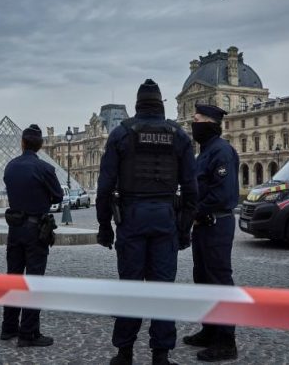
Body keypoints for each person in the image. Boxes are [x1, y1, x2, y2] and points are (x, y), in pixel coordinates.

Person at [96, 79, 198, 365]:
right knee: (163, 288)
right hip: (166, 217)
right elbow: (192, 189)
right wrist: (185, 229)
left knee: (130, 286)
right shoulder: (179, 135)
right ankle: (161, 356)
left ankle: (124, 352)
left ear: (138, 105)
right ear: (161, 105)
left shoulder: (121, 133)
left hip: (131, 217)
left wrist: (105, 226)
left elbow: (104, 187)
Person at [183, 104, 240, 362]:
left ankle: (226, 341)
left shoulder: (222, 152)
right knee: (203, 279)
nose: (192, 124)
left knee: (219, 281)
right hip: (204, 225)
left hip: (216, 223)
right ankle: (209, 330)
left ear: (209, 123)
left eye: (196, 120)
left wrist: (195, 209)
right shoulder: (205, 152)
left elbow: (223, 194)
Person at [1, 124, 63, 347]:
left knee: (13, 278)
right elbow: (58, 196)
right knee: (33, 281)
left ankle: (8, 328)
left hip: (14, 228)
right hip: (36, 229)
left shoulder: (10, 166)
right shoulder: (45, 168)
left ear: (22, 143)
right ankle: (28, 333)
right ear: (41, 145)